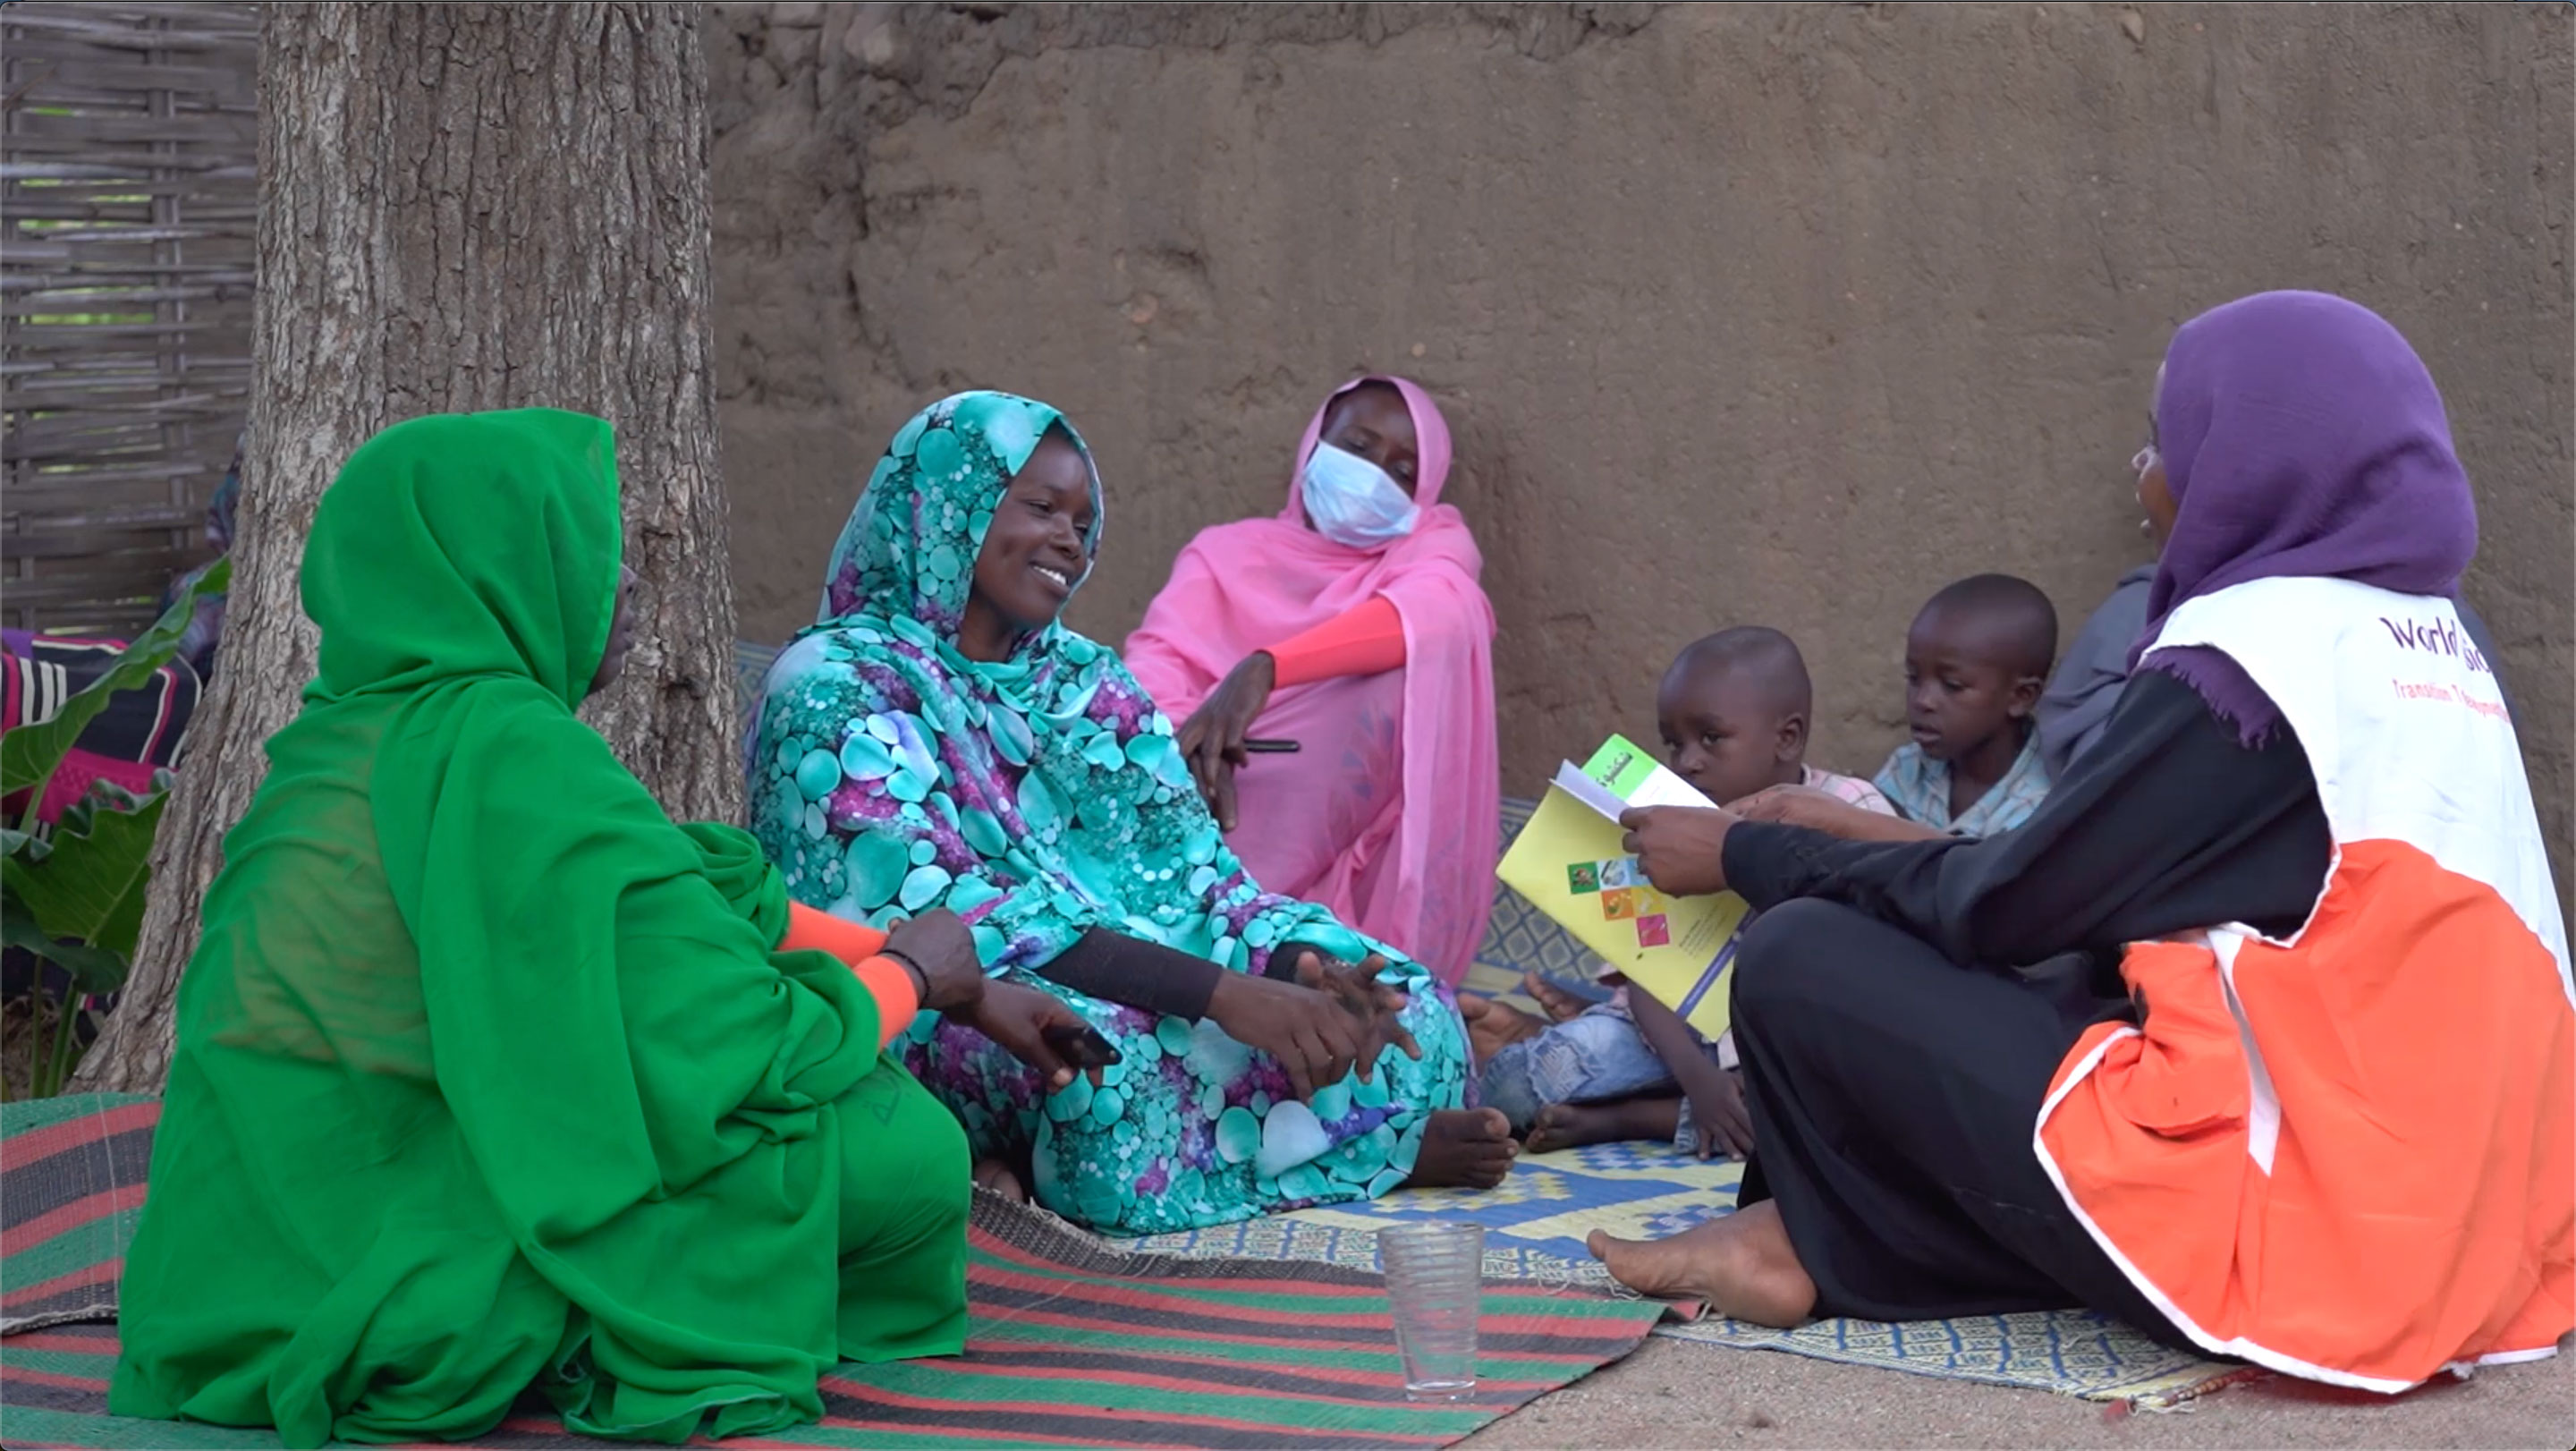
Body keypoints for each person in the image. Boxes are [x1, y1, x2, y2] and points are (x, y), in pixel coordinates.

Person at [1586, 293, 2571, 1393]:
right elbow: (2102, 897)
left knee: (1801, 956)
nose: (2143, 474)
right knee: (2060, 974)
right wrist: (1874, 839)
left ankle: (1817, 1240)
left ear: (2243, 463)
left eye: (2166, 440)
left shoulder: (2256, 652)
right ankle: (1809, 1234)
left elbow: (2011, 903)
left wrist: (1748, 857)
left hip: (2328, 1233)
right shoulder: (2436, 645)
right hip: (2477, 1232)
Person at [111, 411, 1088, 1447]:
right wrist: (907, 977)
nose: (623, 585)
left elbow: (676, 902)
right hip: (415, 1259)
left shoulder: (327, 749)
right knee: (898, 1146)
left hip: (229, 1274)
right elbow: (737, 1042)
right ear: (500, 566)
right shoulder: (513, 750)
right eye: (584, 544)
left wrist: (970, 985)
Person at [747, 390, 1511, 1240]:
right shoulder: (835, 684)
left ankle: (1324, 1144)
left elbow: (1201, 884)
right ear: (948, 500)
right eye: (1040, 507)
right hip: (939, 1002)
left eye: (1082, 519)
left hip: (1153, 979)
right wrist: (1224, 996)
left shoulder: (1085, 682)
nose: (1070, 540)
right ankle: (1374, 1150)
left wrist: (1299, 971)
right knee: (1100, 1069)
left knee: (1415, 1012)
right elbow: (952, 922)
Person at [1465, 628, 1899, 1158]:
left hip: (1798, 1047)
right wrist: (1699, 1080)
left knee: (1841, 1120)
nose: (1687, 761)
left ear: (1786, 738)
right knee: (1515, 1092)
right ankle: (1650, 1083)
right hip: (1679, 1039)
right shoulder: (1669, 826)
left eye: (1710, 738)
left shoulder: (1850, 811)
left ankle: (1635, 1115)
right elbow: (1650, 971)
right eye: (1674, 743)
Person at [1123, 377, 1498, 987]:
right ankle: (1216, 923)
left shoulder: (1432, 552)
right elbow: (1155, 663)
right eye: (1357, 446)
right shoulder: (1225, 554)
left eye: (1403, 470)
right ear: (1313, 446)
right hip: (1208, 805)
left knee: (1413, 670)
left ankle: (1323, 947)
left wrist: (1266, 669)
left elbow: (1440, 613)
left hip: (1352, 843)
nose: (1375, 474)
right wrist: (1185, 744)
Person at [2037, 424, 2517, 777]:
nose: (2140, 466)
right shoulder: (2449, 628)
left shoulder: (2218, 629)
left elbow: (2116, 813)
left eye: (2164, 443)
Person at [1871, 573, 2057, 835]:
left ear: (2020, 697)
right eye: (1914, 678)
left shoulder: (2038, 804)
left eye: (1952, 686)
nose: (1923, 700)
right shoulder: (1910, 769)